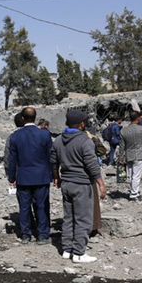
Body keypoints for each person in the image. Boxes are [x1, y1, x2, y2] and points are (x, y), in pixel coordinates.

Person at [51, 110, 107, 263]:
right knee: (83, 219)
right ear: (81, 124)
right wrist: (101, 184)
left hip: (66, 183)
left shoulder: (58, 140)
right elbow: (92, 165)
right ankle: (79, 253)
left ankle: (67, 249)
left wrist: (56, 178)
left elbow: (53, 162)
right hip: (81, 184)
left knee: (69, 218)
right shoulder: (84, 140)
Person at [7, 107, 53, 243]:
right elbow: (50, 156)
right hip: (41, 176)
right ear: (35, 117)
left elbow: (12, 160)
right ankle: (43, 235)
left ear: (22, 118)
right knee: (42, 206)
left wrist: (12, 177)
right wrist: (52, 173)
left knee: (24, 207)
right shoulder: (45, 135)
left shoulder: (15, 136)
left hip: (23, 177)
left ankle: (25, 234)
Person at [119, 111, 142, 201]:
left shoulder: (123, 130)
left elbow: (122, 146)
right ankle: (134, 194)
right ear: (138, 118)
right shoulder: (141, 129)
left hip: (128, 154)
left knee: (130, 175)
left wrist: (121, 157)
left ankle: (132, 191)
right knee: (136, 175)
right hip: (139, 154)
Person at [4, 112, 26, 178]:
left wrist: (9, 174)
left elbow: (7, 157)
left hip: (19, 174)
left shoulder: (11, 137)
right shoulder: (37, 135)